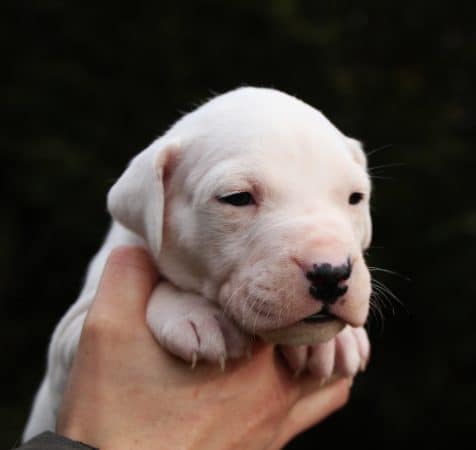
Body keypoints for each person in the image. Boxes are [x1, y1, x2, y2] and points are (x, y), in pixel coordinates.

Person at [20, 246, 353, 450]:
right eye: (238, 198)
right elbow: (74, 351)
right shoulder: (130, 255)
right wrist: (165, 304)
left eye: (353, 199)